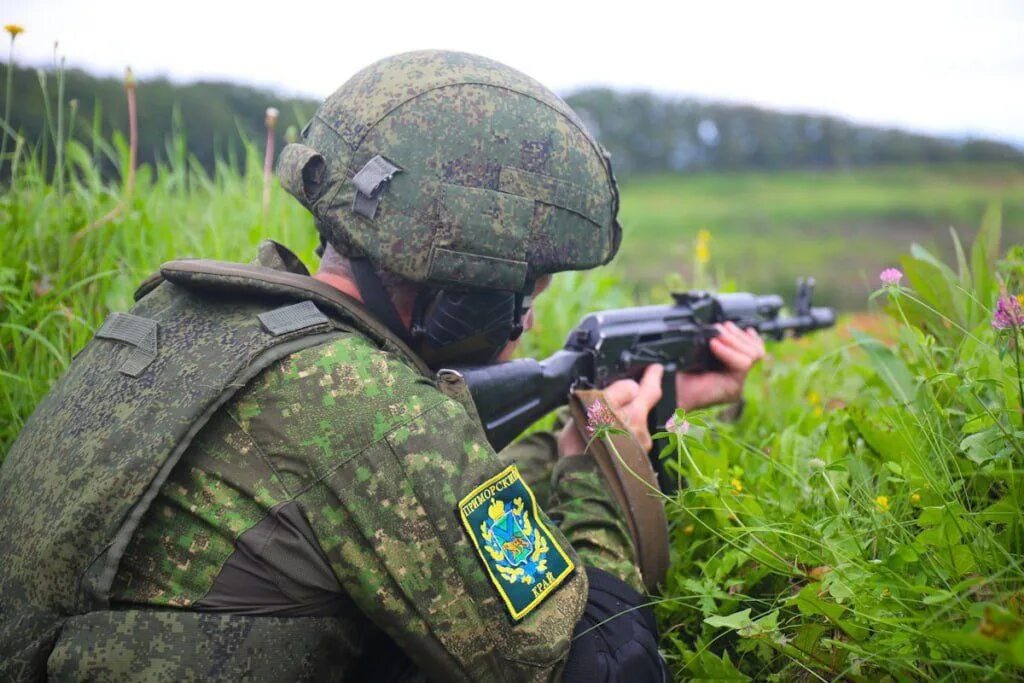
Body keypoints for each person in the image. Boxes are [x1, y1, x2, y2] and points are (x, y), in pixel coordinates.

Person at [0, 50, 763, 681]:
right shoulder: (374, 410)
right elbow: (597, 658)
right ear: (460, 288)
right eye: (523, 294)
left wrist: (568, 435)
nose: (526, 321)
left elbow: (426, 492)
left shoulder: (191, 314)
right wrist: (603, 459)